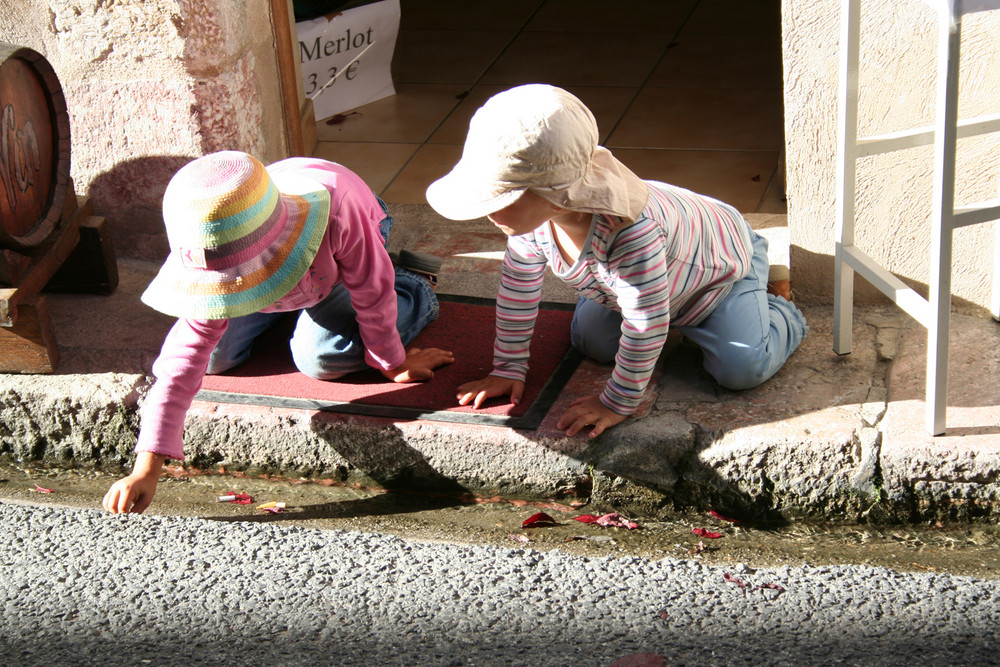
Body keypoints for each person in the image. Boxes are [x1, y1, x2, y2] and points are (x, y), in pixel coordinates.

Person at [426, 84, 807, 439]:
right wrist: (507, 368)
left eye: (502, 196)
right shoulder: (532, 221)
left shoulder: (632, 235)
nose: (491, 211)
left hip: (718, 274)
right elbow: (517, 292)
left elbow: (646, 324)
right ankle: (646, 298)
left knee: (740, 369)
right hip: (645, 282)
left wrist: (617, 402)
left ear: (556, 192)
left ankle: (776, 305)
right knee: (591, 342)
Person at [104, 151, 453, 514]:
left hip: (350, 235)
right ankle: (293, 304)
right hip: (257, 236)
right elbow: (181, 360)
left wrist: (390, 360)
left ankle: (414, 283)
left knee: (321, 357)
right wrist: (146, 468)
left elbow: (372, 288)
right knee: (214, 358)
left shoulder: (339, 213)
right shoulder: (215, 237)